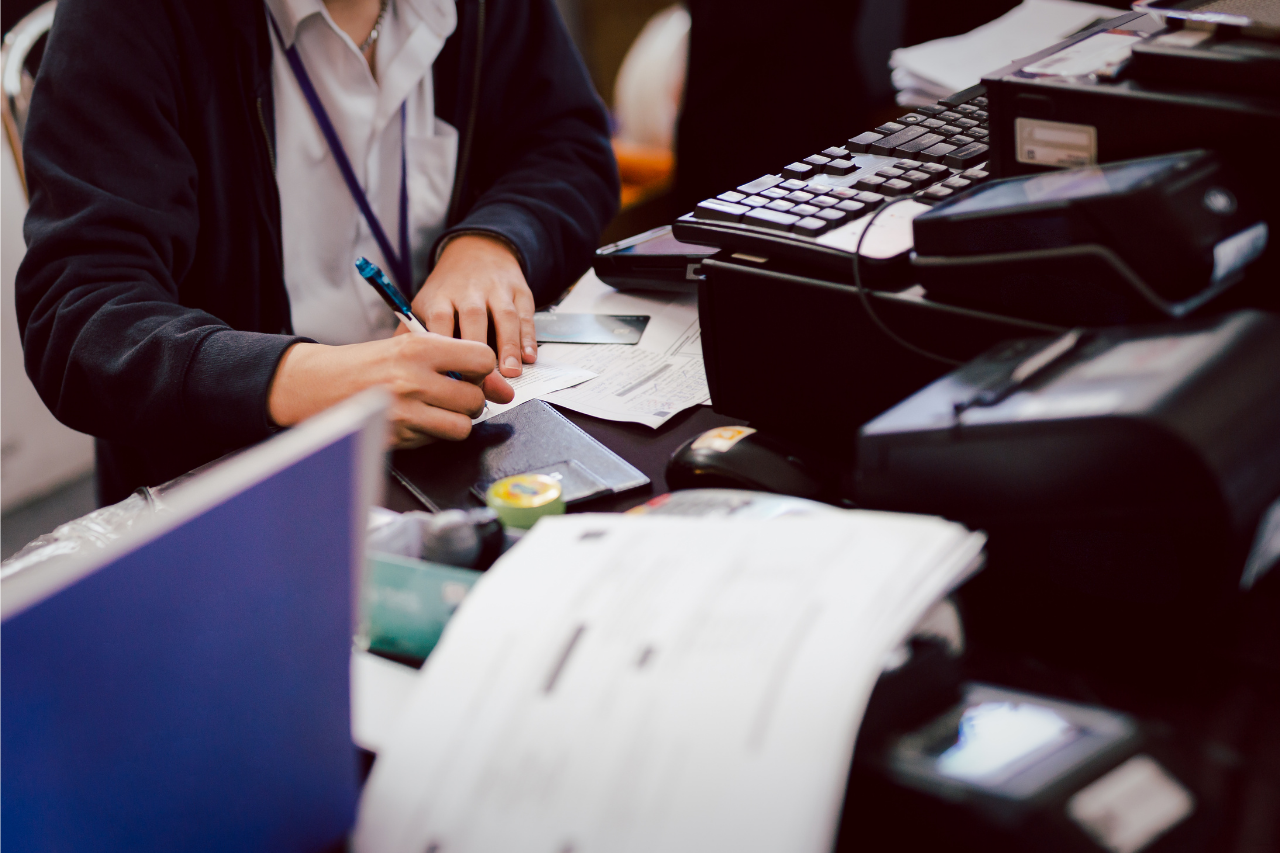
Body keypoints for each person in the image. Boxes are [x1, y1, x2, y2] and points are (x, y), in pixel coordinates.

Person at [15, 0, 618, 505]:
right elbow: (81, 320)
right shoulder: (131, 17)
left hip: (460, 440)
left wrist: (492, 241)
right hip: (237, 484)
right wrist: (301, 381)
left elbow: (566, 146)